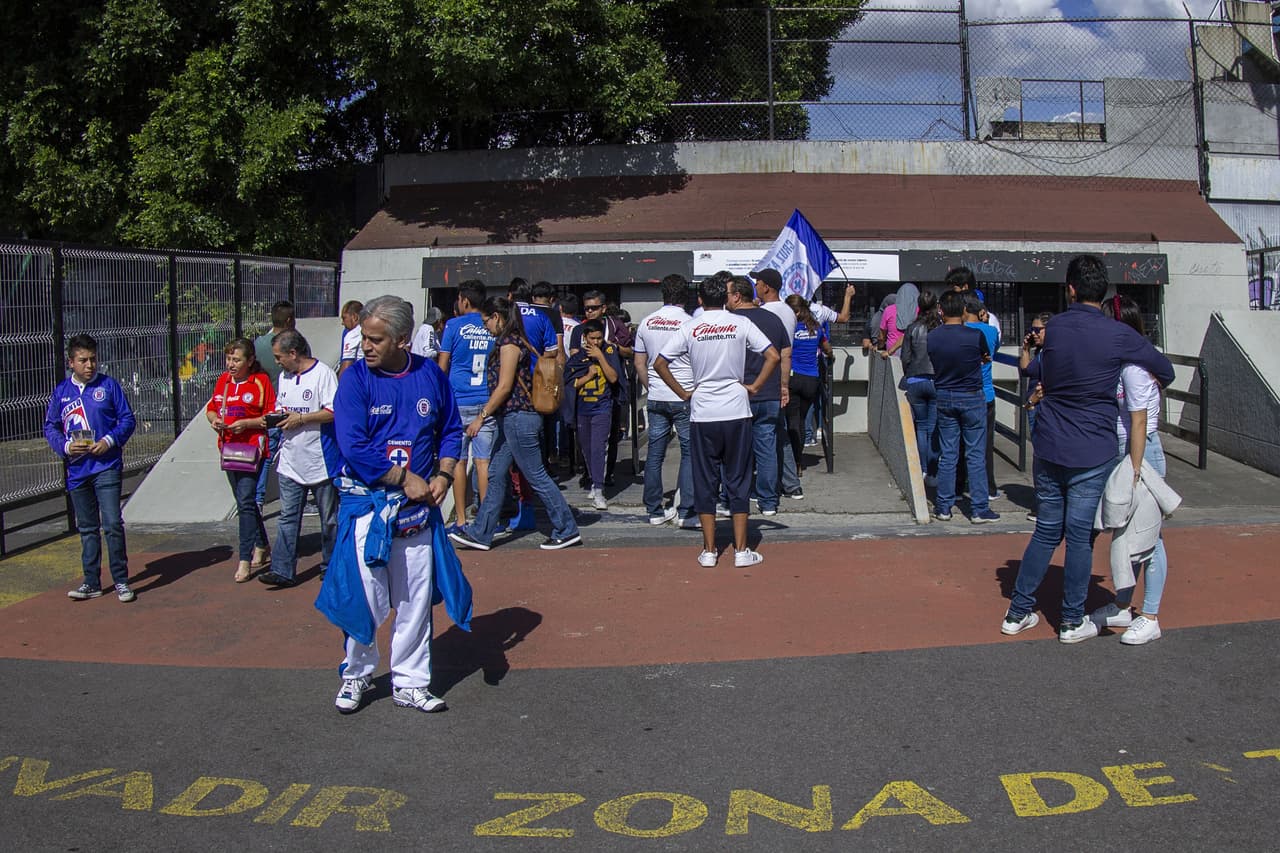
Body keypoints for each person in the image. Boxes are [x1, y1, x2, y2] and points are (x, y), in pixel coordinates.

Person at [1001, 256, 1174, 643]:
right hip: (1093, 450)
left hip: (1048, 444)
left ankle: (1017, 611)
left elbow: (1033, 370)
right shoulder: (1117, 335)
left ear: (1071, 289)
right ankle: (1070, 620)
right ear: (1105, 292)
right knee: (1079, 537)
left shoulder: (1054, 329)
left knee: (1046, 531)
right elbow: (1165, 368)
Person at [323, 295, 462, 714]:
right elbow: (354, 446)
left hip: (417, 514)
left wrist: (442, 474)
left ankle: (411, 682)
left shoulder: (430, 377)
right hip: (370, 509)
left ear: (403, 340)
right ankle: (357, 675)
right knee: (367, 597)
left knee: (416, 600)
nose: (365, 345)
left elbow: (451, 429)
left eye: (375, 339)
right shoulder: (355, 380)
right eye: (364, 337)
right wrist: (405, 478)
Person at [654, 276, 779, 568]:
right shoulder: (740, 323)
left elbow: (659, 362)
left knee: (705, 479)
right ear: (726, 298)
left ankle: (709, 550)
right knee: (738, 479)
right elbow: (772, 356)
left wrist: (683, 392)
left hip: (703, 412)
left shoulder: (691, 326)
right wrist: (756, 386)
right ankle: (741, 550)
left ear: (699, 300)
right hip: (736, 410)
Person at [450, 296, 582, 552]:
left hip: (518, 417)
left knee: (536, 475)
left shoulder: (509, 344)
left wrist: (481, 416)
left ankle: (566, 529)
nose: (485, 326)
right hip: (514, 418)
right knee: (496, 474)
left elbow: (504, 387)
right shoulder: (514, 339)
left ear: (497, 317)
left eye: (486, 321)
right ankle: (481, 532)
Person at [1088, 295, 1169, 645]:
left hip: (1141, 454)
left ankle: (1149, 615)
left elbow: (1138, 423)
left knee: (1150, 541)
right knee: (1127, 537)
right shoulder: (1125, 364)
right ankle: (1123, 604)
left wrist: (1134, 469)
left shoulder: (1134, 369)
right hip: (1130, 454)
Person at [45, 334, 138, 602]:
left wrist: (108, 441)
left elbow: (127, 419)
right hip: (77, 470)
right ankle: (91, 581)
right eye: (83, 360)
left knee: (111, 523)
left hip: (106, 465)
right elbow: (50, 426)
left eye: (93, 359)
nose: (89, 365)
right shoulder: (62, 392)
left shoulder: (108, 386)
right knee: (87, 528)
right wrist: (64, 447)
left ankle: (121, 580)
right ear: (71, 362)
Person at [257, 330, 340, 587]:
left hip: (320, 459)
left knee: (329, 518)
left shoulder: (323, 374)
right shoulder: (284, 377)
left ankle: (332, 564)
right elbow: (283, 408)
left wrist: (302, 418)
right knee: (288, 516)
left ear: (294, 353)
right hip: (291, 459)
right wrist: (278, 416)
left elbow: (333, 411)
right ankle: (283, 569)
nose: (277, 362)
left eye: (279, 357)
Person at [206, 338, 276, 582]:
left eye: (236, 360)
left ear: (250, 361)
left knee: (246, 500)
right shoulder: (224, 381)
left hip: (251, 450)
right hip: (228, 449)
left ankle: (244, 559)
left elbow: (270, 416)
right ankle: (262, 543)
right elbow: (212, 408)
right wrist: (215, 420)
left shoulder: (260, 382)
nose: (231, 364)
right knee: (243, 500)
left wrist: (246, 424)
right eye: (228, 359)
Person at [928, 291, 997, 524]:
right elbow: (985, 357)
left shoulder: (933, 337)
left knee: (948, 454)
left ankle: (944, 506)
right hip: (972, 395)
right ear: (963, 310)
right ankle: (979, 509)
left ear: (941, 310)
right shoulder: (975, 335)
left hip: (945, 395)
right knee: (975, 455)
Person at [634, 274, 696, 527]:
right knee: (689, 453)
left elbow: (640, 362)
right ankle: (685, 511)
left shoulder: (647, 322)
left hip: (657, 395)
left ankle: (654, 510)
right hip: (684, 394)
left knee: (655, 454)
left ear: (663, 294)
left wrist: (652, 387)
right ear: (685, 296)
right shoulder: (691, 323)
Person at [727, 276, 791, 516]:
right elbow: (785, 354)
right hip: (769, 392)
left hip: (738, 394)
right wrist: (784, 385)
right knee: (766, 449)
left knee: (733, 451)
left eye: (727, 295)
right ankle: (768, 502)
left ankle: (730, 499)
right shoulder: (773, 319)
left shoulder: (731, 321)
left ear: (736, 296)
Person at [436, 280, 496, 530]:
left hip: (458, 399)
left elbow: (443, 365)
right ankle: (485, 520)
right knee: (483, 463)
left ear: (464, 300)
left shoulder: (452, 325)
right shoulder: (490, 326)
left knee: (459, 462)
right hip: (486, 400)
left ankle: (461, 519)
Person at [567, 319, 622, 510]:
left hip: (602, 407)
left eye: (599, 338)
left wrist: (600, 357)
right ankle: (593, 479)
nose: (596, 342)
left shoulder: (608, 352)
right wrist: (587, 376)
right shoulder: (578, 357)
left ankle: (599, 489)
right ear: (585, 338)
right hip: (582, 409)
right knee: (587, 448)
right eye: (592, 338)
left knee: (599, 447)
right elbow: (569, 384)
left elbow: (614, 377)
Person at [784, 295, 831, 482]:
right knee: (802, 420)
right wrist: (830, 356)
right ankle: (798, 459)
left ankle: (794, 461)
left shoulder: (790, 328)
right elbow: (828, 349)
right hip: (812, 380)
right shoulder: (816, 328)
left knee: (792, 422)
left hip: (793, 379)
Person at [254, 300, 296, 509]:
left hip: (266, 407)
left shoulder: (258, 344)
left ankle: (258, 499)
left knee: (266, 457)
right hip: (289, 407)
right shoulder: (293, 344)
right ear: (289, 320)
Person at [898, 291, 940, 482]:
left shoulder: (912, 327)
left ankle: (922, 468)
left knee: (921, 427)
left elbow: (905, 357)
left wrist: (909, 373)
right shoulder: (940, 327)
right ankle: (933, 470)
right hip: (936, 380)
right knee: (933, 428)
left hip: (915, 380)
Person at [963, 295, 1001, 501]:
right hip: (986, 393)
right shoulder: (992, 331)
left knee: (961, 443)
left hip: (964, 392)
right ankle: (989, 487)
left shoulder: (960, 332)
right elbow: (995, 350)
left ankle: (960, 485)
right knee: (985, 444)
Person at [1018, 312, 1052, 521]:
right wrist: (1025, 349)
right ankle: (1042, 501)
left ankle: (1045, 504)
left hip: (1041, 406)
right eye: (1032, 330)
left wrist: (1033, 400)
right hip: (1034, 405)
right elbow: (1025, 370)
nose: (1034, 334)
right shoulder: (1039, 351)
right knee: (1039, 455)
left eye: (1038, 330)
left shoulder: (1052, 353)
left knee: (1043, 457)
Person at [337, 300, 364, 378]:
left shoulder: (352, 334)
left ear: (354, 317)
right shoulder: (372, 329)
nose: (342, 323)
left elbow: (346, 367)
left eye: (344, 318)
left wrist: (341, 386)